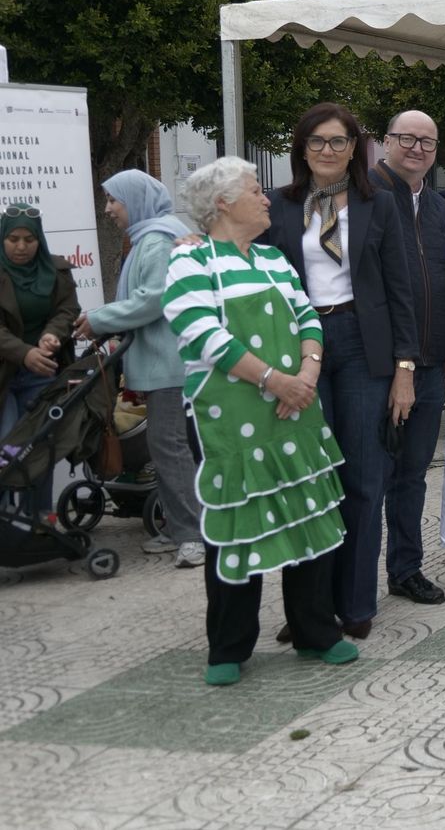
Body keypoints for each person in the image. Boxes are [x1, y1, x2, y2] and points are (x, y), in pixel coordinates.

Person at [162, 157, 355, 686]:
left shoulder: (273, 259)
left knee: (307, 517)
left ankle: (316, 632)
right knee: (237, 529)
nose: (266, 198)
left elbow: (308, 317)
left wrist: (308, 373)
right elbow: (203, 334)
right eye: (254, 190)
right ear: (222, 202)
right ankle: (228, 645)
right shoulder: (191, 263)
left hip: (297, 414)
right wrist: (276, 380)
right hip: (231, 425)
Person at [263, 103, 419, 642]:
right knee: (310, 480)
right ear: (301, 148)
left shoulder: (380, 206)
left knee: (363, 480)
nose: (327, 151)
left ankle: (354, 604)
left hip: (363, 347)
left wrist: (405, 369)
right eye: (316, 142)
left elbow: (403, 292)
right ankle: (308, 610)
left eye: (338, 141)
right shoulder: (278, 208)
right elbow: (242, 258)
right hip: (298, 349)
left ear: (356, 148)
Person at [74, 172, 203, 566]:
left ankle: (192, 536)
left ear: (135, 200)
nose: (109, 209)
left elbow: (154, 300)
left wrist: (101, 319)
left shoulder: (157, 240)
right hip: (165, 361)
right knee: (170, 450)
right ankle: (178, 527)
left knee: (169, 450)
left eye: (115, 200)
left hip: (170, 365)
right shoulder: (155, 235)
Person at [369, 110, 445, 606]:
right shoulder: (362, 196)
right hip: (376, 366)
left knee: (412, 477)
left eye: (427, 141)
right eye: (407, 138)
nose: (417, 148)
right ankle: (354, 581)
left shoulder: (444, 209)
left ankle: (406, 569)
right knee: (369, 478)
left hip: (429, 367)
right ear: (386, 142)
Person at [0, 204, 79, 519]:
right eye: (13, 239)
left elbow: (67, 309)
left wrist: (52, 335)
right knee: (6, 448)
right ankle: (5, 523)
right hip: (5, 375)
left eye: (29, 240)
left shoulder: (55, 270)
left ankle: (39, 521)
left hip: (42, 374)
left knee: (38, 447)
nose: (21, 247)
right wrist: (24, 353)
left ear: (40, 239)